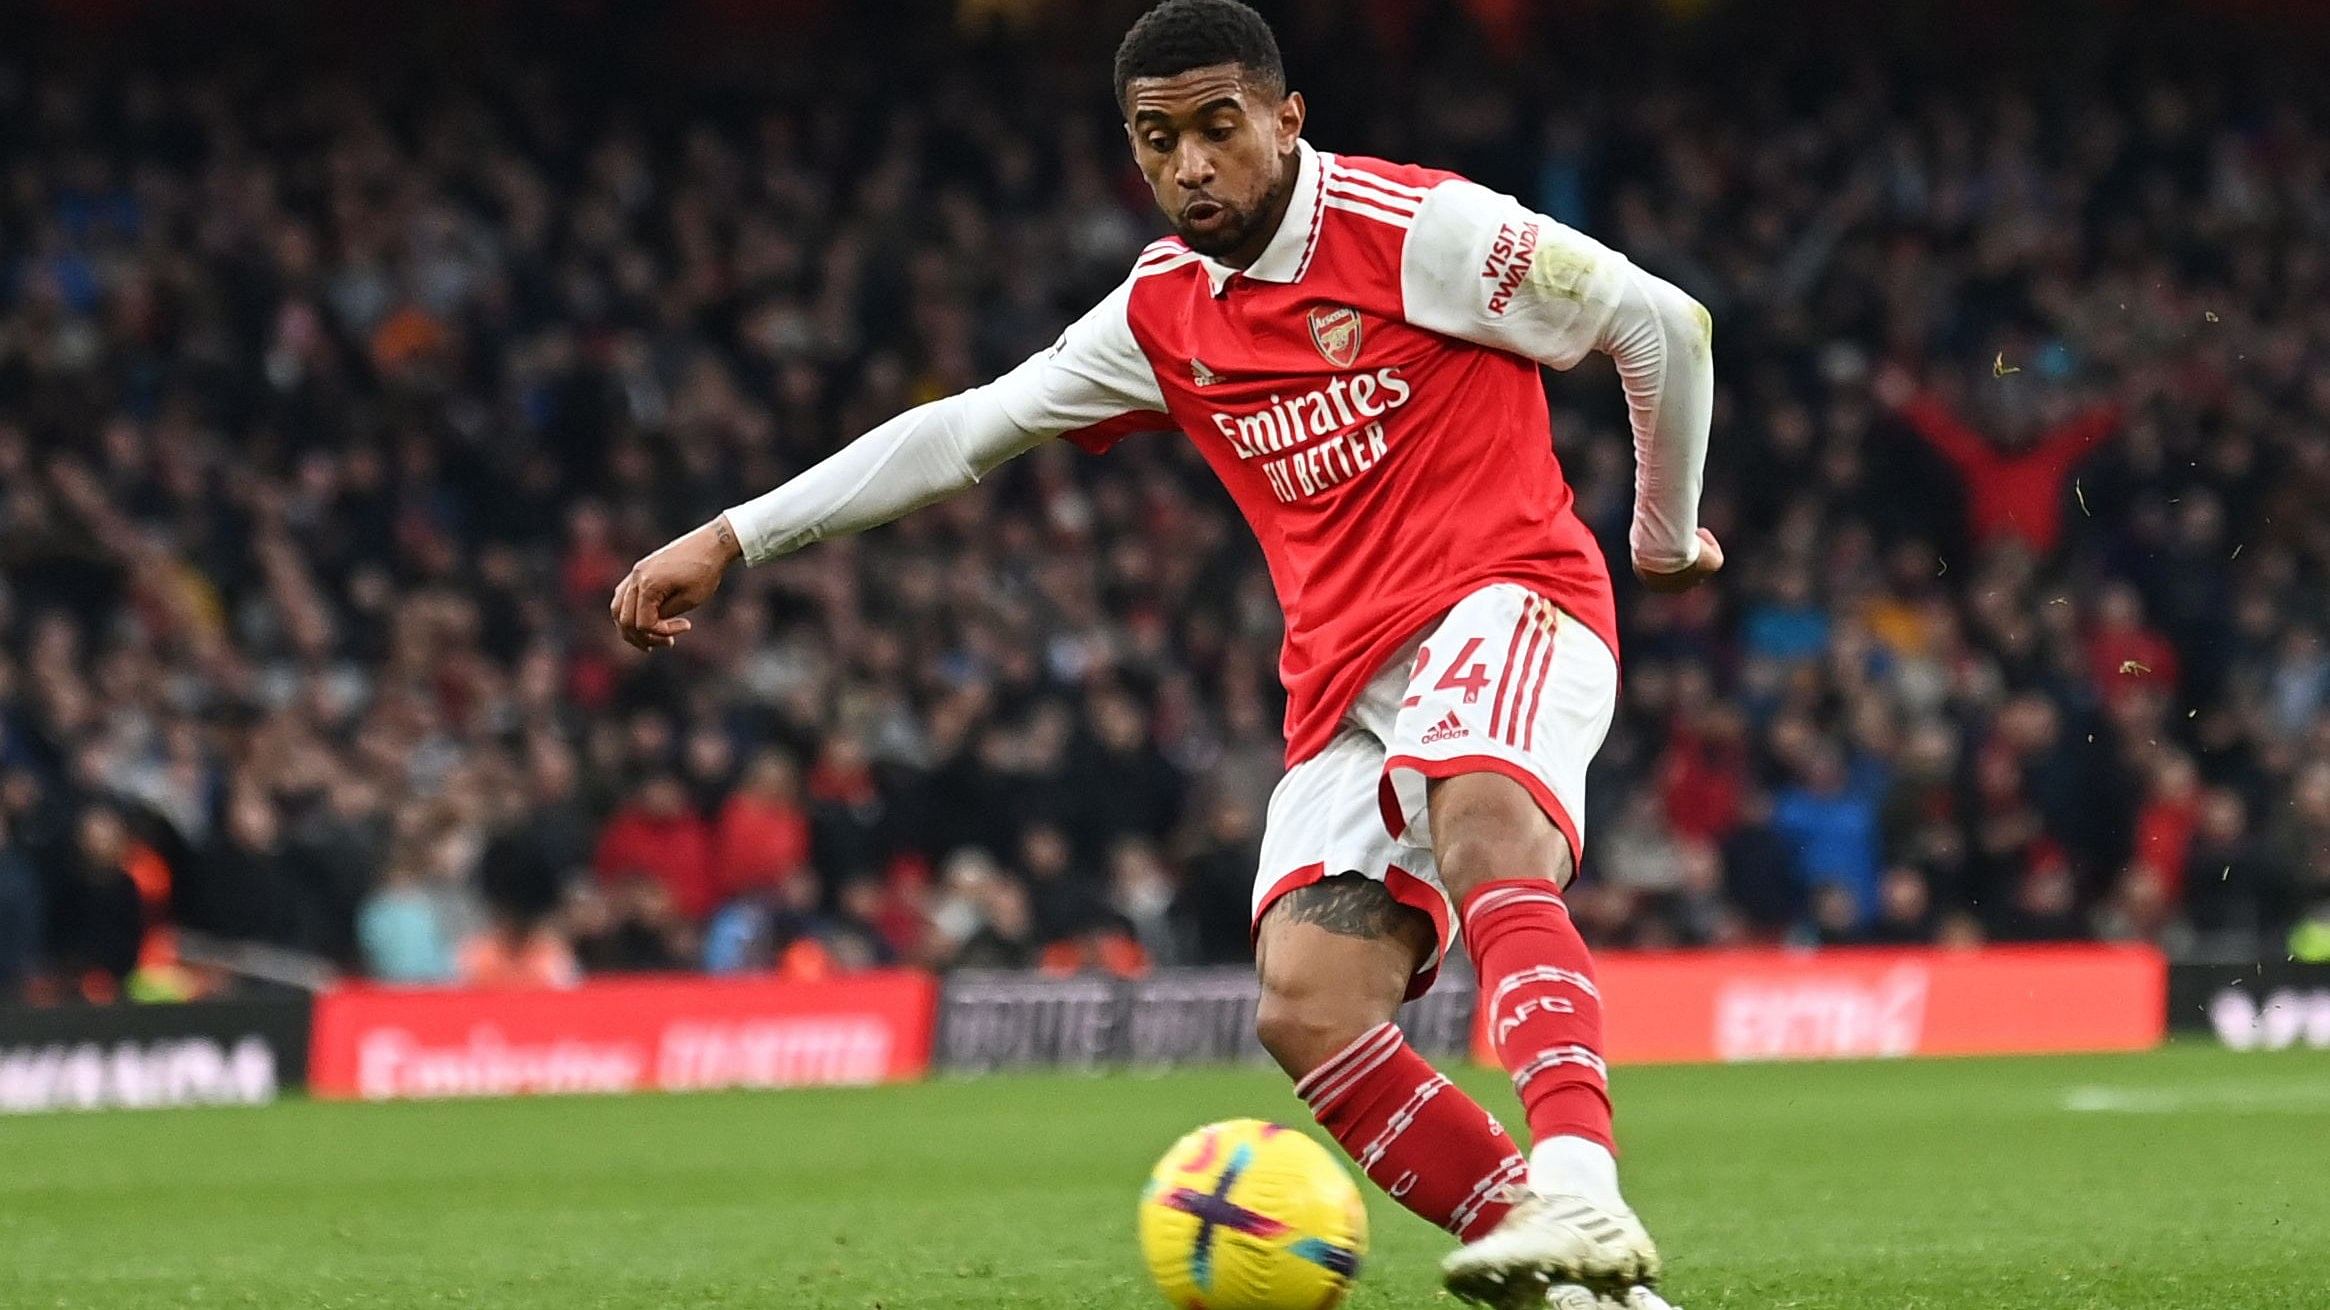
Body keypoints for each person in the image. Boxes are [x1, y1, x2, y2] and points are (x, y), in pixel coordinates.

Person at [609, 2, 1716, 1304]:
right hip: (1345, 693)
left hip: (1506, 602)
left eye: (1216, 128)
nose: (1190, 164)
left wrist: (1660, 534)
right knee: (1304, 1008)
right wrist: (732, 534)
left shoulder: (1420, 231)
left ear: (1283, 119)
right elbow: (964, 433)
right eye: (1157, 140)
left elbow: (1660, 324)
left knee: (1478, 817)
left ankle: (1582, 1183)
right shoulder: (1160, 315)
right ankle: (1583, 1280)